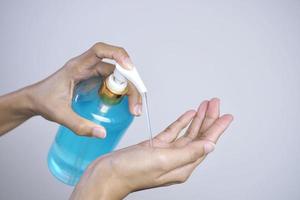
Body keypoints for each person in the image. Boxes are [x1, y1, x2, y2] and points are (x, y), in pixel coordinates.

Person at [0, 42, 233, 200]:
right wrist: (108, 180)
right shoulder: (82, 96)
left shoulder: (120, 112)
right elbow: (108, 178)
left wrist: (30, 100)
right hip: (62, 162)